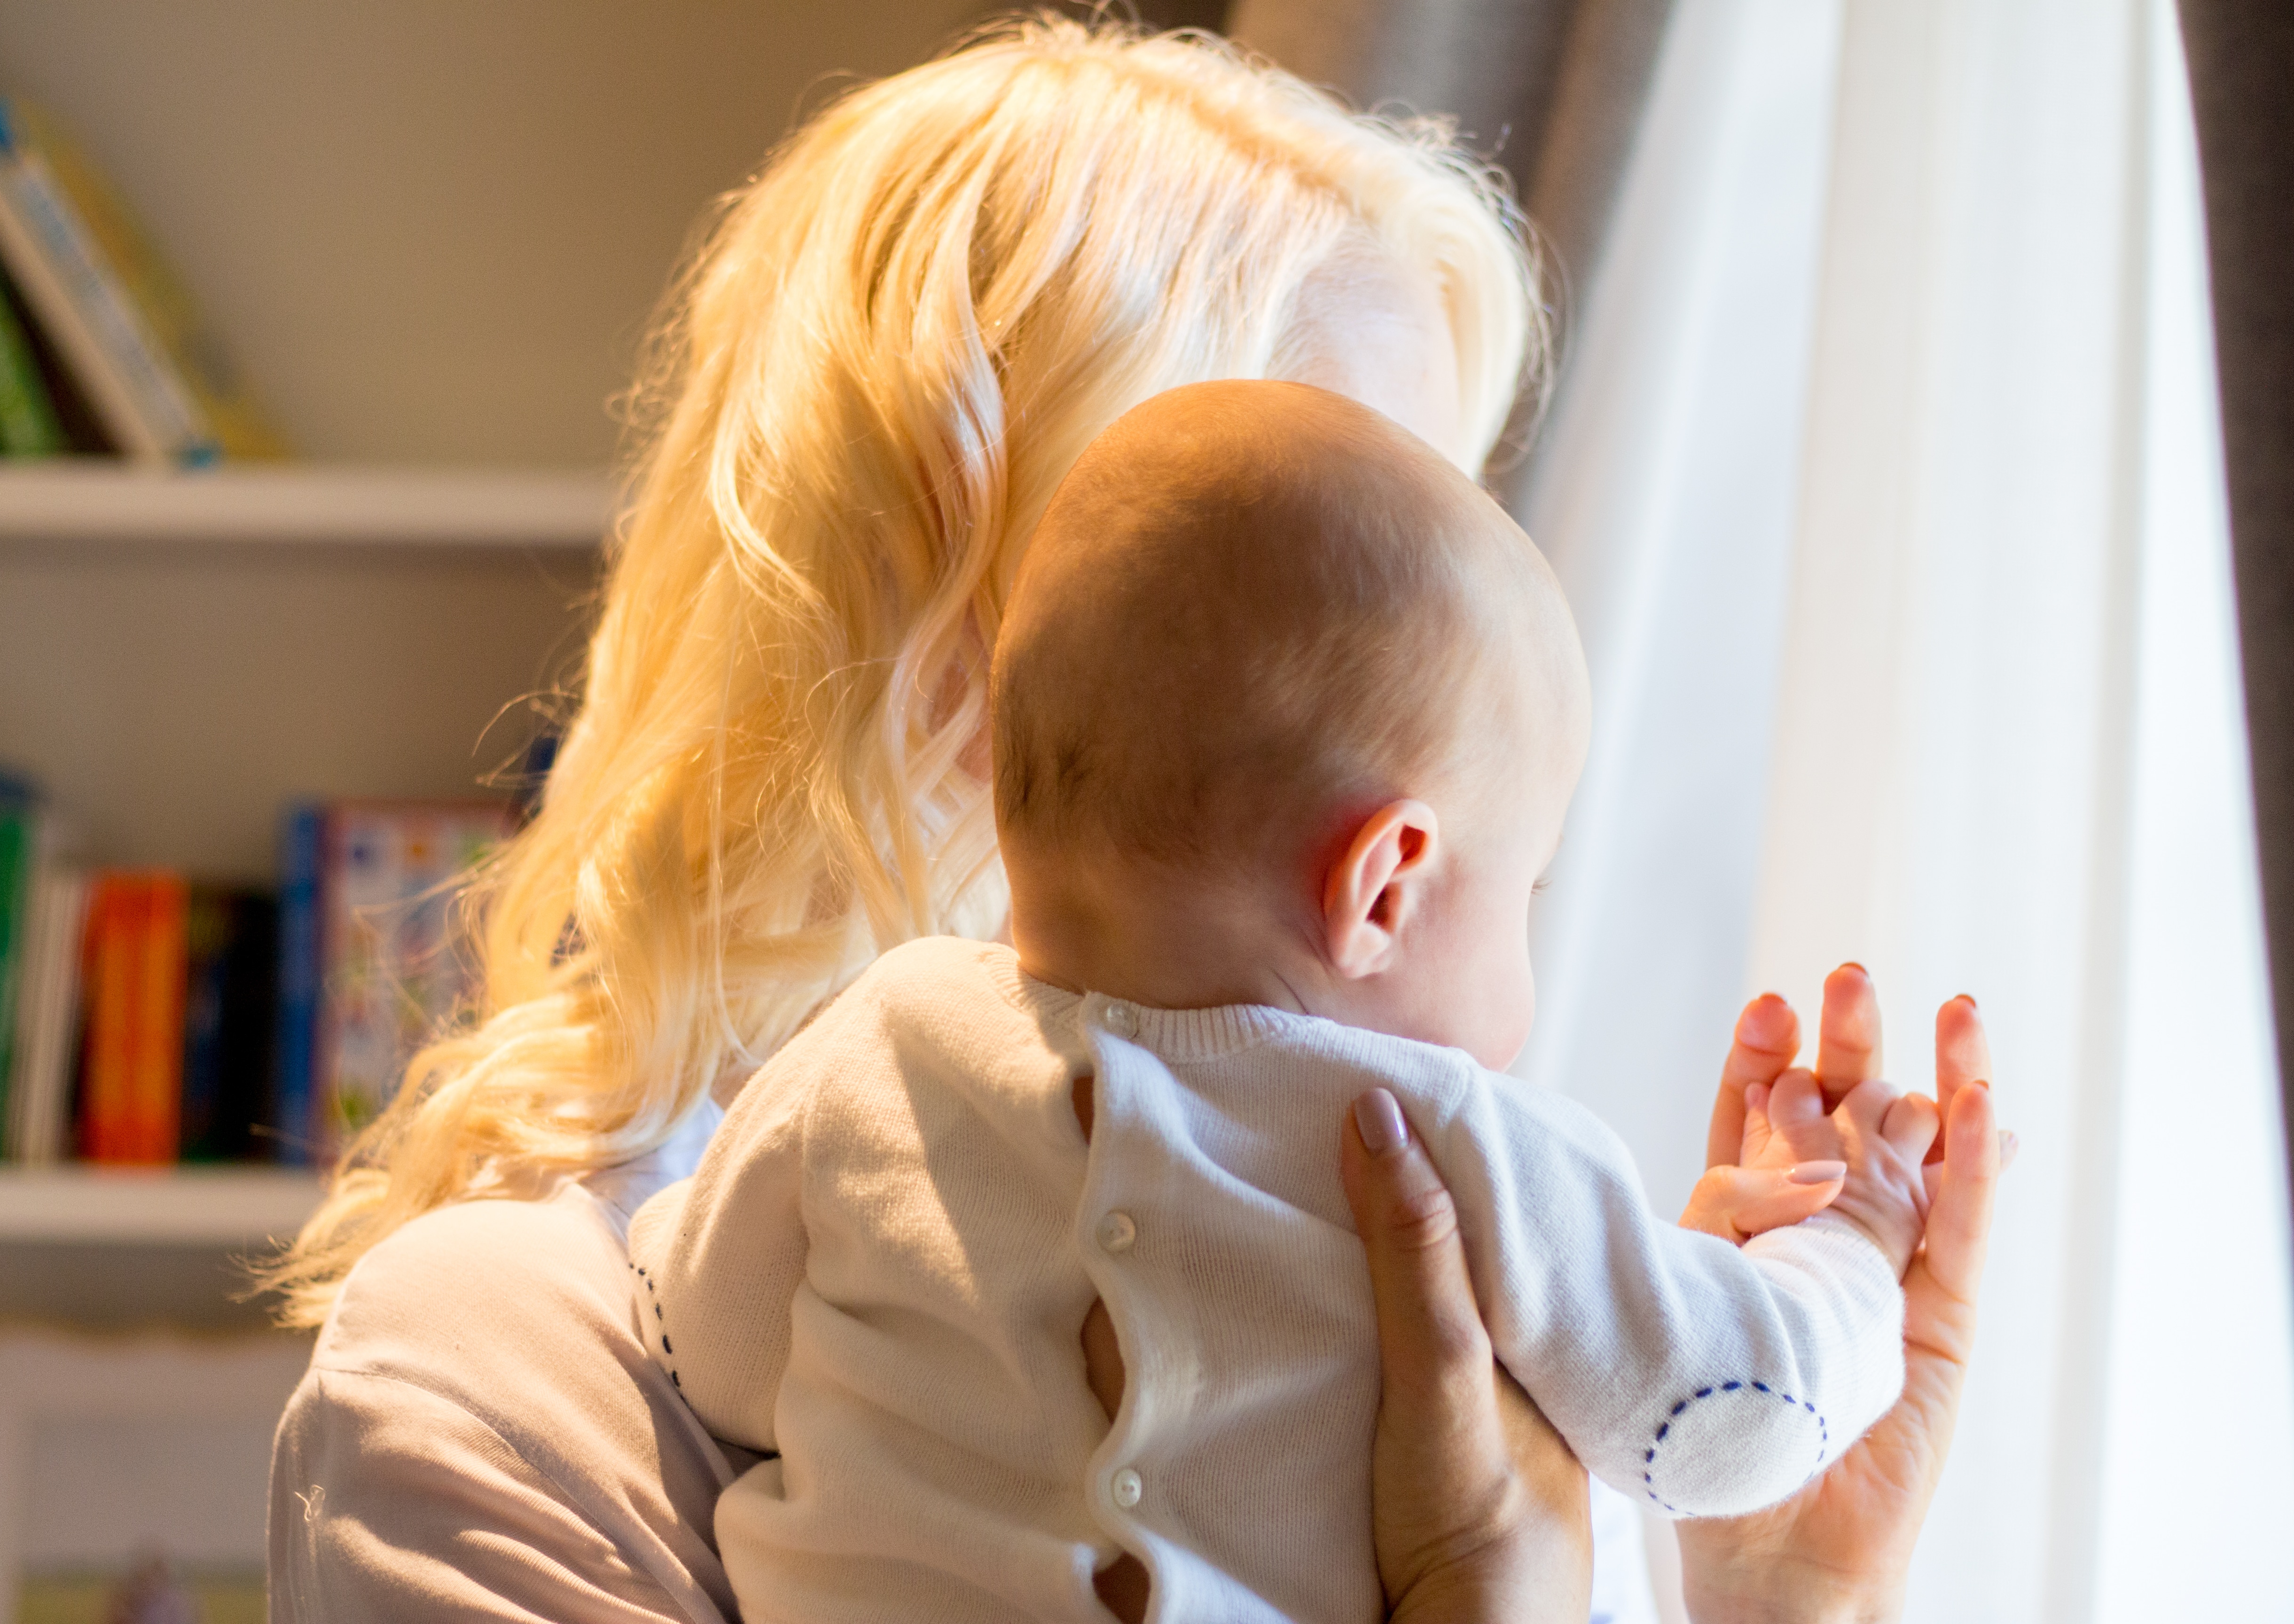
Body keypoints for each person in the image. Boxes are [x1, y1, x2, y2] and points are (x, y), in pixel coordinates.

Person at [263, 19, 2006, 1622]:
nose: (1437, 690)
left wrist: (1775, 1606)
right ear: (966, 633)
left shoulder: (1407, 1277)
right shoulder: (512, 1378)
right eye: (1323, 554)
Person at [632, 379, 1936, 1624]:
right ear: (1385, 886)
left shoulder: (879, 1044)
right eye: (1525, 894)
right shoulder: (1452, 1141)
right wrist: (1852, 1250)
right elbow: (1733, 1417)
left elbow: (714, 1345)